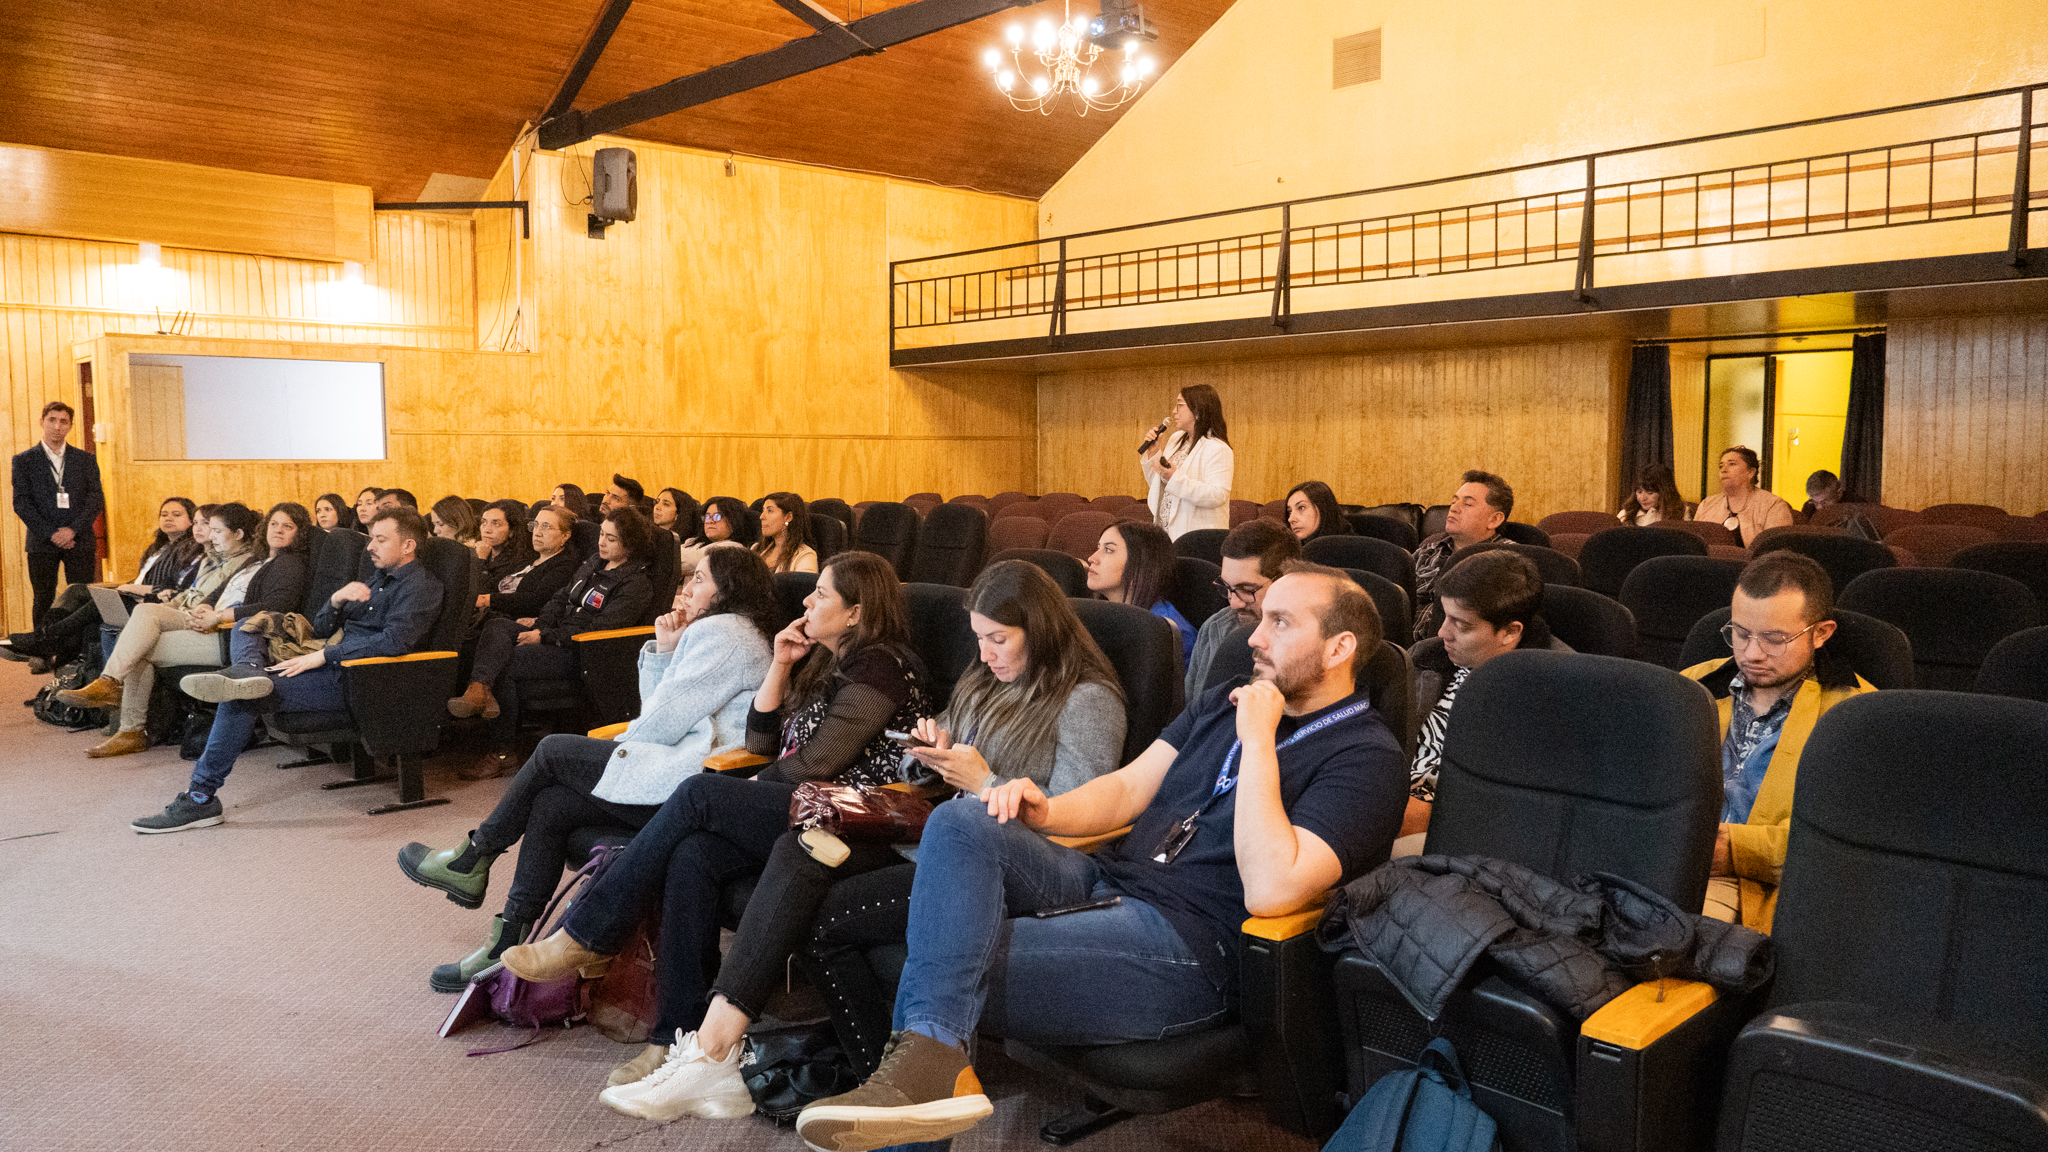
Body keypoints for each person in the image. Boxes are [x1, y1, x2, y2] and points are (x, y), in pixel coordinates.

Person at [792, 564, 1407, 1150]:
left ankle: (920, 1081)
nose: (1253, 635)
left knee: (924, 965)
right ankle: (928, 1070)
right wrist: (1045, 813)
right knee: (963, 819)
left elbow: (1272, 889)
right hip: (1110, 879)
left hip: (1192, 948)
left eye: (1280, 622)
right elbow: (1128, 789)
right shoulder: (1228, 698)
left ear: (1338, 648)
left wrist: (1259, 745)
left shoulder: (1365, 756)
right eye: (1261, 618)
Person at [586, 560, 1128, 1121]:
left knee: (810, 903)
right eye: (978, 640)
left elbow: (1077, 820)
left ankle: (775, 1063)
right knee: (804, 843)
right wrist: (929, 756)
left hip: (1001, 872)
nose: (986, 654)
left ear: (1040, 631)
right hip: (934, 839)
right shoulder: (986, 681)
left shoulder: (1087, 700)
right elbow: (932, 775)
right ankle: (724, 1050)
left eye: (998, 639)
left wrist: (984, 781)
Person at [491, 553, 930, 1088]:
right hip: (806, 803)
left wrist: (739, 792)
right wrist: (781, 663)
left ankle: (592, 932)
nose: (806, 602)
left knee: (699, 794)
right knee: (692, 851)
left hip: (855, 819)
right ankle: (673, 1034)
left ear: (857, 612)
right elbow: (763, 742)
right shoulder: (823, 661)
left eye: (821, 595)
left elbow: (816, 765)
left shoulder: (882, 665)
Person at [397, 545, 781, 991]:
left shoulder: (723, 632)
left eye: (699, 579)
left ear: (727, 590)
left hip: (697, 782)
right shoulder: (724, 631)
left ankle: (475, 857)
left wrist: (622, 745)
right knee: (553, 803)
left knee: (554, 750)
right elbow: (661, 713)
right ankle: (506, 939)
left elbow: (658, 721)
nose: (685, 588)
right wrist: (665, 650)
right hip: (685, 766)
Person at [150, 507, 445, 833]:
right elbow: (320, 627)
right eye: (371, 538)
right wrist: (335, 600)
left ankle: (200, 798)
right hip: (335, 664)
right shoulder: (377, 579)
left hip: (363, 681)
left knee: (239, 697)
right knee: (247, 629)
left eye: (380, 539)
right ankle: (248, 670)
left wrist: (324, 656)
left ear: (408, 546)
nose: (370, 546)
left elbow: (394, 642)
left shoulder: (421, 586)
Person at [1682, 551, 1874, 933]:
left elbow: (1844, 843)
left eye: (1774, 639)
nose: (1752, 654)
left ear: (1821, 633)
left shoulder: (1859, 716)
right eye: (1740, 633)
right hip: (1663, 859)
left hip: (1756, 887)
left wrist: (1736, 850)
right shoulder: (1689, 686)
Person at [449, 506, 655, 779]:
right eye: (602, 534)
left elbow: (600, 629)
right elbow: (560, 598)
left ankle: (501, 752)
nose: (601, 542)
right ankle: (480, 688)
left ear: (629, 544)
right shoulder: (594, 562)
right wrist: (540, 626)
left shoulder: (636, 584)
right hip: (554, 634)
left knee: (507, 662)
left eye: (611, 538)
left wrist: (544, 636)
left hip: (582, 652)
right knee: (497, 625)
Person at [1401, 550, 1569, 853]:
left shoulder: (1553, 688)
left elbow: (1522, 802)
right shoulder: (1428, 657)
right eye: (1444, 616)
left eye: (1461, 625)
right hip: (1397, 794)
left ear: (1509, 632)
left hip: (1466, 827)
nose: (1442, 633)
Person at [57, 501, 268, 738]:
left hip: (220, 628)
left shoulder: (250, 563)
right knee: (139, 618)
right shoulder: (216, 558)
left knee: (139, 644)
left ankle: (127, 724)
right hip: (196, 615)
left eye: (215, 530)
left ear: (238, 534)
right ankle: (113, 696)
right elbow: (198, 596)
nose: (210, 534)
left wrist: (212, 615)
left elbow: (242, 604)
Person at [3, 496, 202, 670]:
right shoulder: (157, 548)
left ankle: (44, 640)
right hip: (133, 594)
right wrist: (128, 586)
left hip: (153, 605)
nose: (168, 518)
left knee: (100, 603)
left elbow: (178, 589)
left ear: (191, 521)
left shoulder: (192, 549)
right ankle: (46, 643)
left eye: (176, 514)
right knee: (76, 591)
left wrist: (131, 588)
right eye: (164, 514)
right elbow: (141, 579)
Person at [13, 401, 104, 633]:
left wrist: (72, 530)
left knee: (82, 595)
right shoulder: (24, 461)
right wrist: (52, 533)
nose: (57, 426)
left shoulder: (85, 459)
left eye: (63, 421)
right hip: (42, 541)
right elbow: (22, 503)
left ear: (70, 426)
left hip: (79, 539)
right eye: (52, 420)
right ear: (42, 422)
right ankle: (41, 650)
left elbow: (95, 499)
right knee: (43, 596)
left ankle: (78, 652)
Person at [1184, 520, 1300, 700]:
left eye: (1247, 590)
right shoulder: (1215, 627)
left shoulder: (1309, 644)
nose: (1234, 604)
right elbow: (1192, 712)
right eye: (1227, 588)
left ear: (1286, 580)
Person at [1412, 470, 1512, 638]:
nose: (1453, 508)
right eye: (1454, 501)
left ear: (1494, 519)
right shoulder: (1427, 550)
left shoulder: (1509, 560)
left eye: (1468, 504)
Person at [1084, 520, 1195, 664]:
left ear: (1140, 565)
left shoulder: (1167, 633)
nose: (1092, 558)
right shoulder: (1098, 617)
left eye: (1109, 550)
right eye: (1098, 548)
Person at [1138, 384, 1233, 539]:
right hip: (1165, 531)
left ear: (1198, 410)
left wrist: (1175, 478)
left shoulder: (1218, 448)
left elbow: (1218, 495)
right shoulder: (1176, 440)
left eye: (1180, 405)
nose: (1174, 411)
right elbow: (1159, 486)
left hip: (1197, 537)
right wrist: (1154, 452)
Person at [478, 505, 580, 621]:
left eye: (546, 527)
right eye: (536, 525)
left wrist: (488, 600)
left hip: (511, 622)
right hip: (489, 614)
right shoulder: (527, 558)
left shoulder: (565, 566)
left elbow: (536, 601)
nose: (537, 533)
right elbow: (493, 585)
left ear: (565, 536)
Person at [1693, 447, 1792, 546]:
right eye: (1721, 466)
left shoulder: (1773, 505)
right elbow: (1695, 545)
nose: (1724, 470)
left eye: (1732, 464)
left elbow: (1774, 550)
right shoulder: (1706, 505)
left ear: (1750, 472)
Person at [679, 496, 757, 582]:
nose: (710, 521)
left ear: (734, 520)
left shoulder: (733, 548)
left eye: (717, 516)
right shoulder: (695, 542)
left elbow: (687, 561)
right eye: (707, 517)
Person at [755, 491, 819, 574]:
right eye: (763, 510)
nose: (761, 516)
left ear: (788, 517)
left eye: (770, 510)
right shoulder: (756, 549)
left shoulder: (805, 556)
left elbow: (804, 586)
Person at [1617, 463, 1686, 526]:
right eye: (1639, 492)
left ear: (1664, 493)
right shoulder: (1626, 514)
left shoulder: (1681, 513)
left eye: (1650, 493)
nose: (1642, 498)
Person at [1286, 480, 1352, 543]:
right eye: (1290, 511)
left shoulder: (1351, 548)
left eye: (1301, 508)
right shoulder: (1291, 549)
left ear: (1323, 509)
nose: (1290, 519)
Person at [651, 488, 700, 559]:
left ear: (678, 514)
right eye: (656, 502)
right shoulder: (647, 536)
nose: (657, 507)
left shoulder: (687, 548)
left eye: (666, 504)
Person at [1799, 469, 1863, 519]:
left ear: (1839, 494)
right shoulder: (1809, 507)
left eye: (1825, 502)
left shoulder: (1857, 506)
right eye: (1815, 503)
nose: (1819, 508)